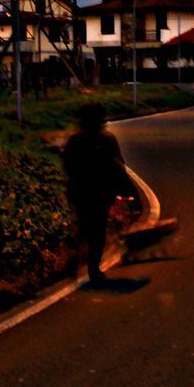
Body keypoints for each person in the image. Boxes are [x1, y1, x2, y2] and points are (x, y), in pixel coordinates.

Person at [63, 101, 135, 286]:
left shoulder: (76, 141)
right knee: (97, 229)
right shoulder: (105, 140)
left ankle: (87, 261)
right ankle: (91, 263)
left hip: (84, 192)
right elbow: (119, 166)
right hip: (98, 192)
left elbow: (68, 167)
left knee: (88, 227)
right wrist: (126, 189)